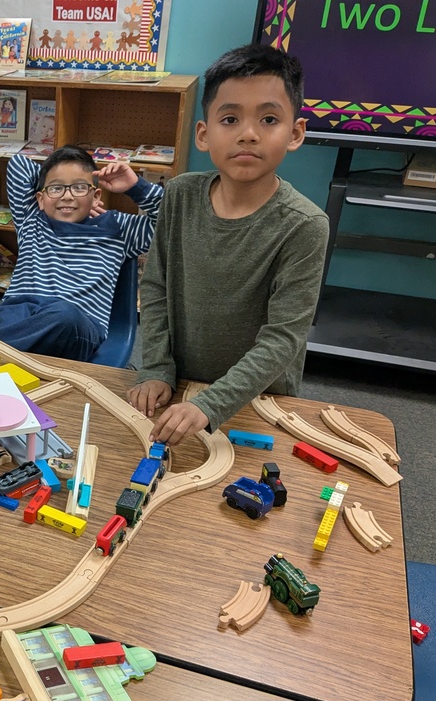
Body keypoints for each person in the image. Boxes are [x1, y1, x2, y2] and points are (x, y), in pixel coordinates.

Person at [128, 43, 330, 445]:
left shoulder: (305, 226)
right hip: (178, 386)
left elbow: (282, 340)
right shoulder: (180, 195)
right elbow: (154, 287)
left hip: (260, 400)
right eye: (230, 118)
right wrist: (155, 368)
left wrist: (211, 404)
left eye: (269, 119)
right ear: (203, 133)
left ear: (295, 133)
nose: (249, 134)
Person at [0, 146, 163, 361]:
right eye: (57, 189)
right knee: (9, 314)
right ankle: (7, 358)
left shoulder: (118, 227)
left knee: (64, 315)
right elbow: (17, 165)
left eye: (79, 188)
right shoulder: (31, 217)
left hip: (76, 325)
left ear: (96, 195)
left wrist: (136, 186)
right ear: (40, 199)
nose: (68, 196)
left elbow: (173, 221)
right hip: (20, 312)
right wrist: (66, 186)